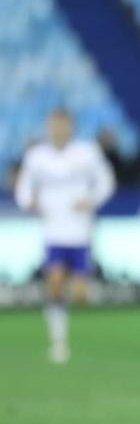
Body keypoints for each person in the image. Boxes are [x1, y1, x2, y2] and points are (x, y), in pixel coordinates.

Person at [14, 108, 115, 363]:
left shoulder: (87, 153)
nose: (58, 130)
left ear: (71, 127)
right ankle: (58, 342)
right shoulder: (37, 157)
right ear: (48, 127)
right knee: (55, 284)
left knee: (80, 295)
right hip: (53, 231)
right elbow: (24, 187)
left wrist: (90, 200)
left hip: (80, 232)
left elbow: (106, 182)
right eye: (54, 125)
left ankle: (82, 290)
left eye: (63, 125)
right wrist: (28, 202)